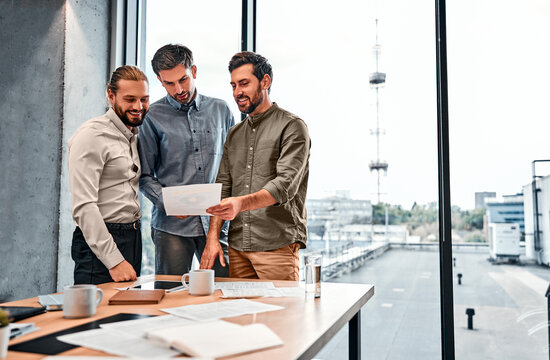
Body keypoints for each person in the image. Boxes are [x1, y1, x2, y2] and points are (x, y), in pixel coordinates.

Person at [200, 51, 311, 281]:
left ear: (265, 82)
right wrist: (212, 237)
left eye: (244, 83)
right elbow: (223, 186)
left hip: (277, 246)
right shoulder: (234, 134)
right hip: (238, 247)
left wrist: (241, 203)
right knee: (240, 315)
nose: (237, 92)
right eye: (233, 85)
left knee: (281, 316)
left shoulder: (293, 127)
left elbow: (284, 186)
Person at [138, 44, 234, 276]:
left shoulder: (221, 110)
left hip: (216, 225)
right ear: (160, 81)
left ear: (194, 71)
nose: (178, 89)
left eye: (183, 79)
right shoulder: (151, 116)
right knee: (171, 297)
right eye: (169, 83)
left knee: (224, 294)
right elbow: (143, 175)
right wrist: (168, 203)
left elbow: (233, 168)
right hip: (171, 227)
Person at [68, 65, 149, 285]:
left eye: (144, 99)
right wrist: (114, 261)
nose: (138, 107)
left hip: (132, 236)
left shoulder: (131, 135)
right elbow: (84, 206)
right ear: (110, 95)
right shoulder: (91, 135)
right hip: (102, 241)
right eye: (130, 99)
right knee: (96, 318)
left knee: (125, 317)